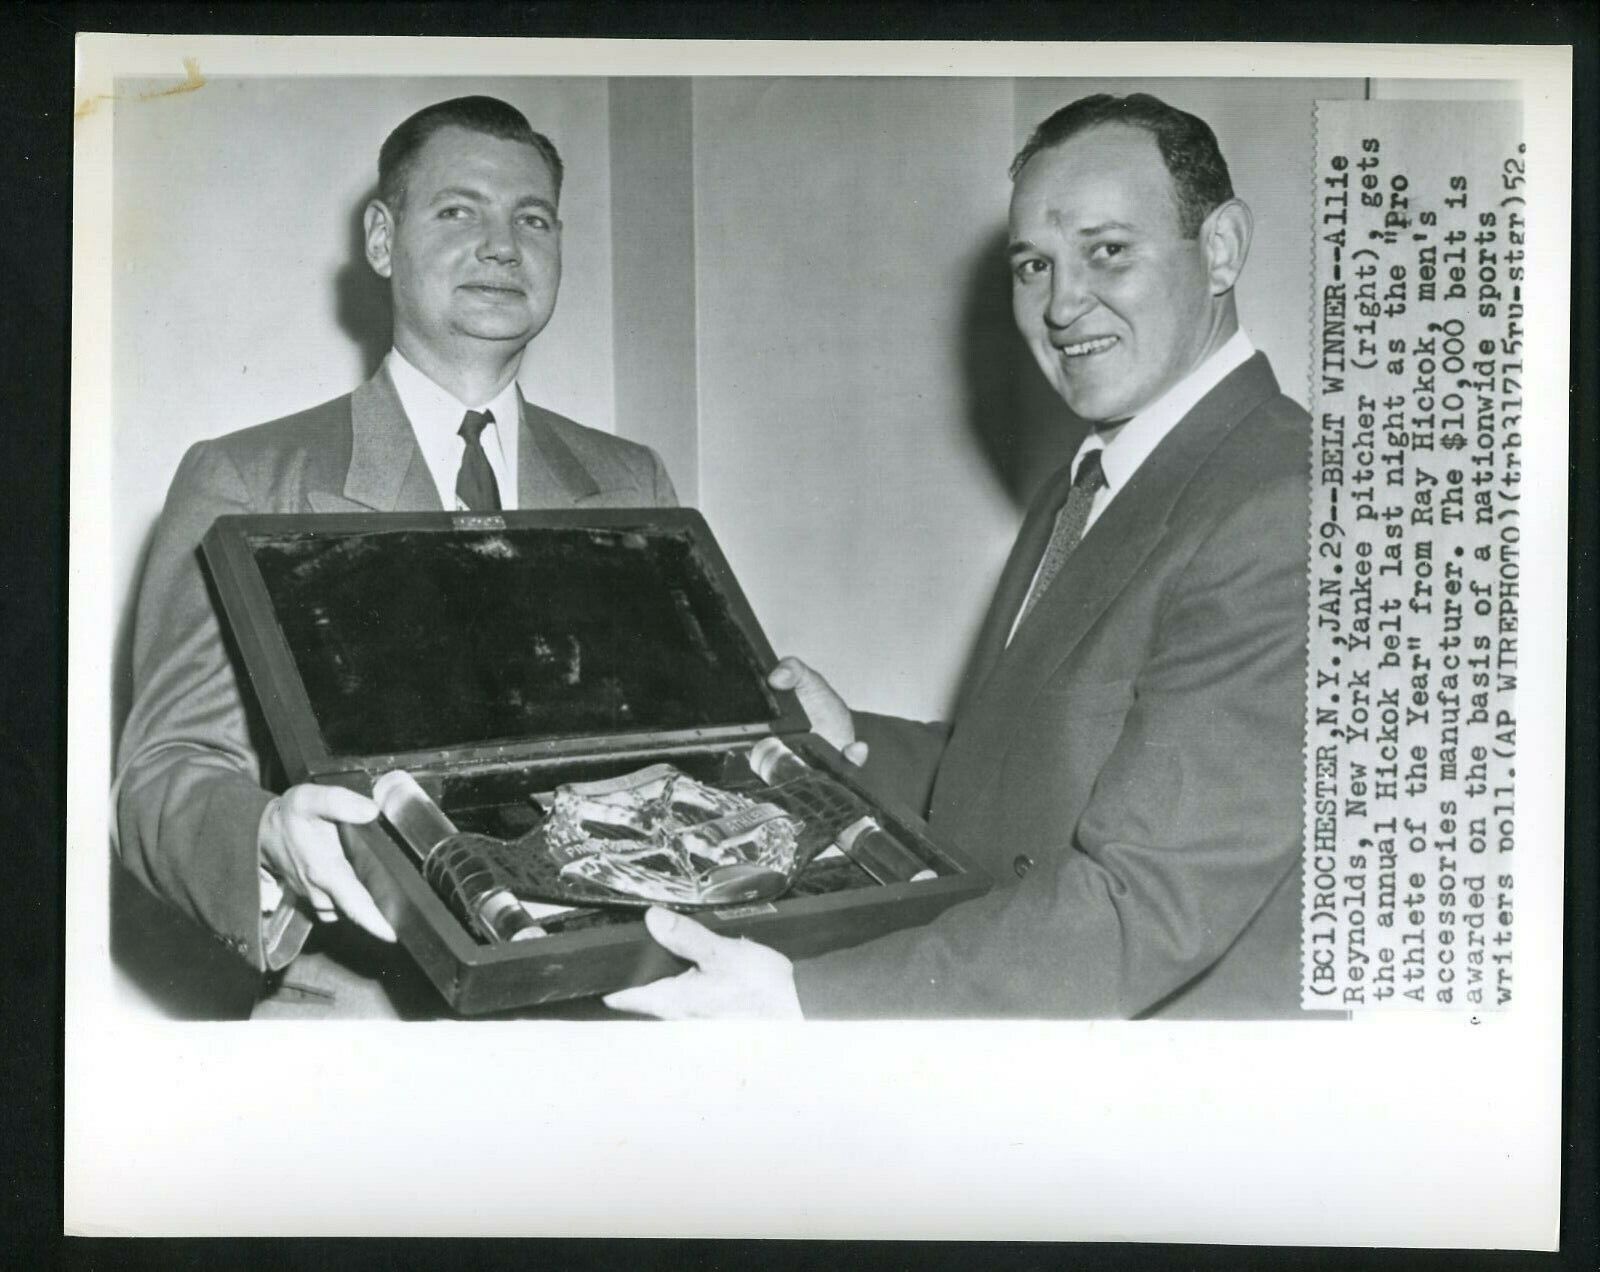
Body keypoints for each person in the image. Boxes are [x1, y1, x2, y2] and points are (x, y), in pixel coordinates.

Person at [605, 93, 1310, 1020]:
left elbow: (1144, 906)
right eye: (1034, 264)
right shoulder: (1095, 478)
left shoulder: (1284, 500)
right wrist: (845, 740)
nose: (1061, 304)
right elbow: (1020, 769)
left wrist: (812, 1002)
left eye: (1109, 251)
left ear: (1219, 248)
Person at [114, 96, 677, 1016]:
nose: (503, 244)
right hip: (370, 1000)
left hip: (612, 1008)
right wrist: (268, 838)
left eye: (532, 218)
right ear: (382, 240)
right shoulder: (249, 480)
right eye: (459, 211)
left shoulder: (632, 481)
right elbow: (164, 774)